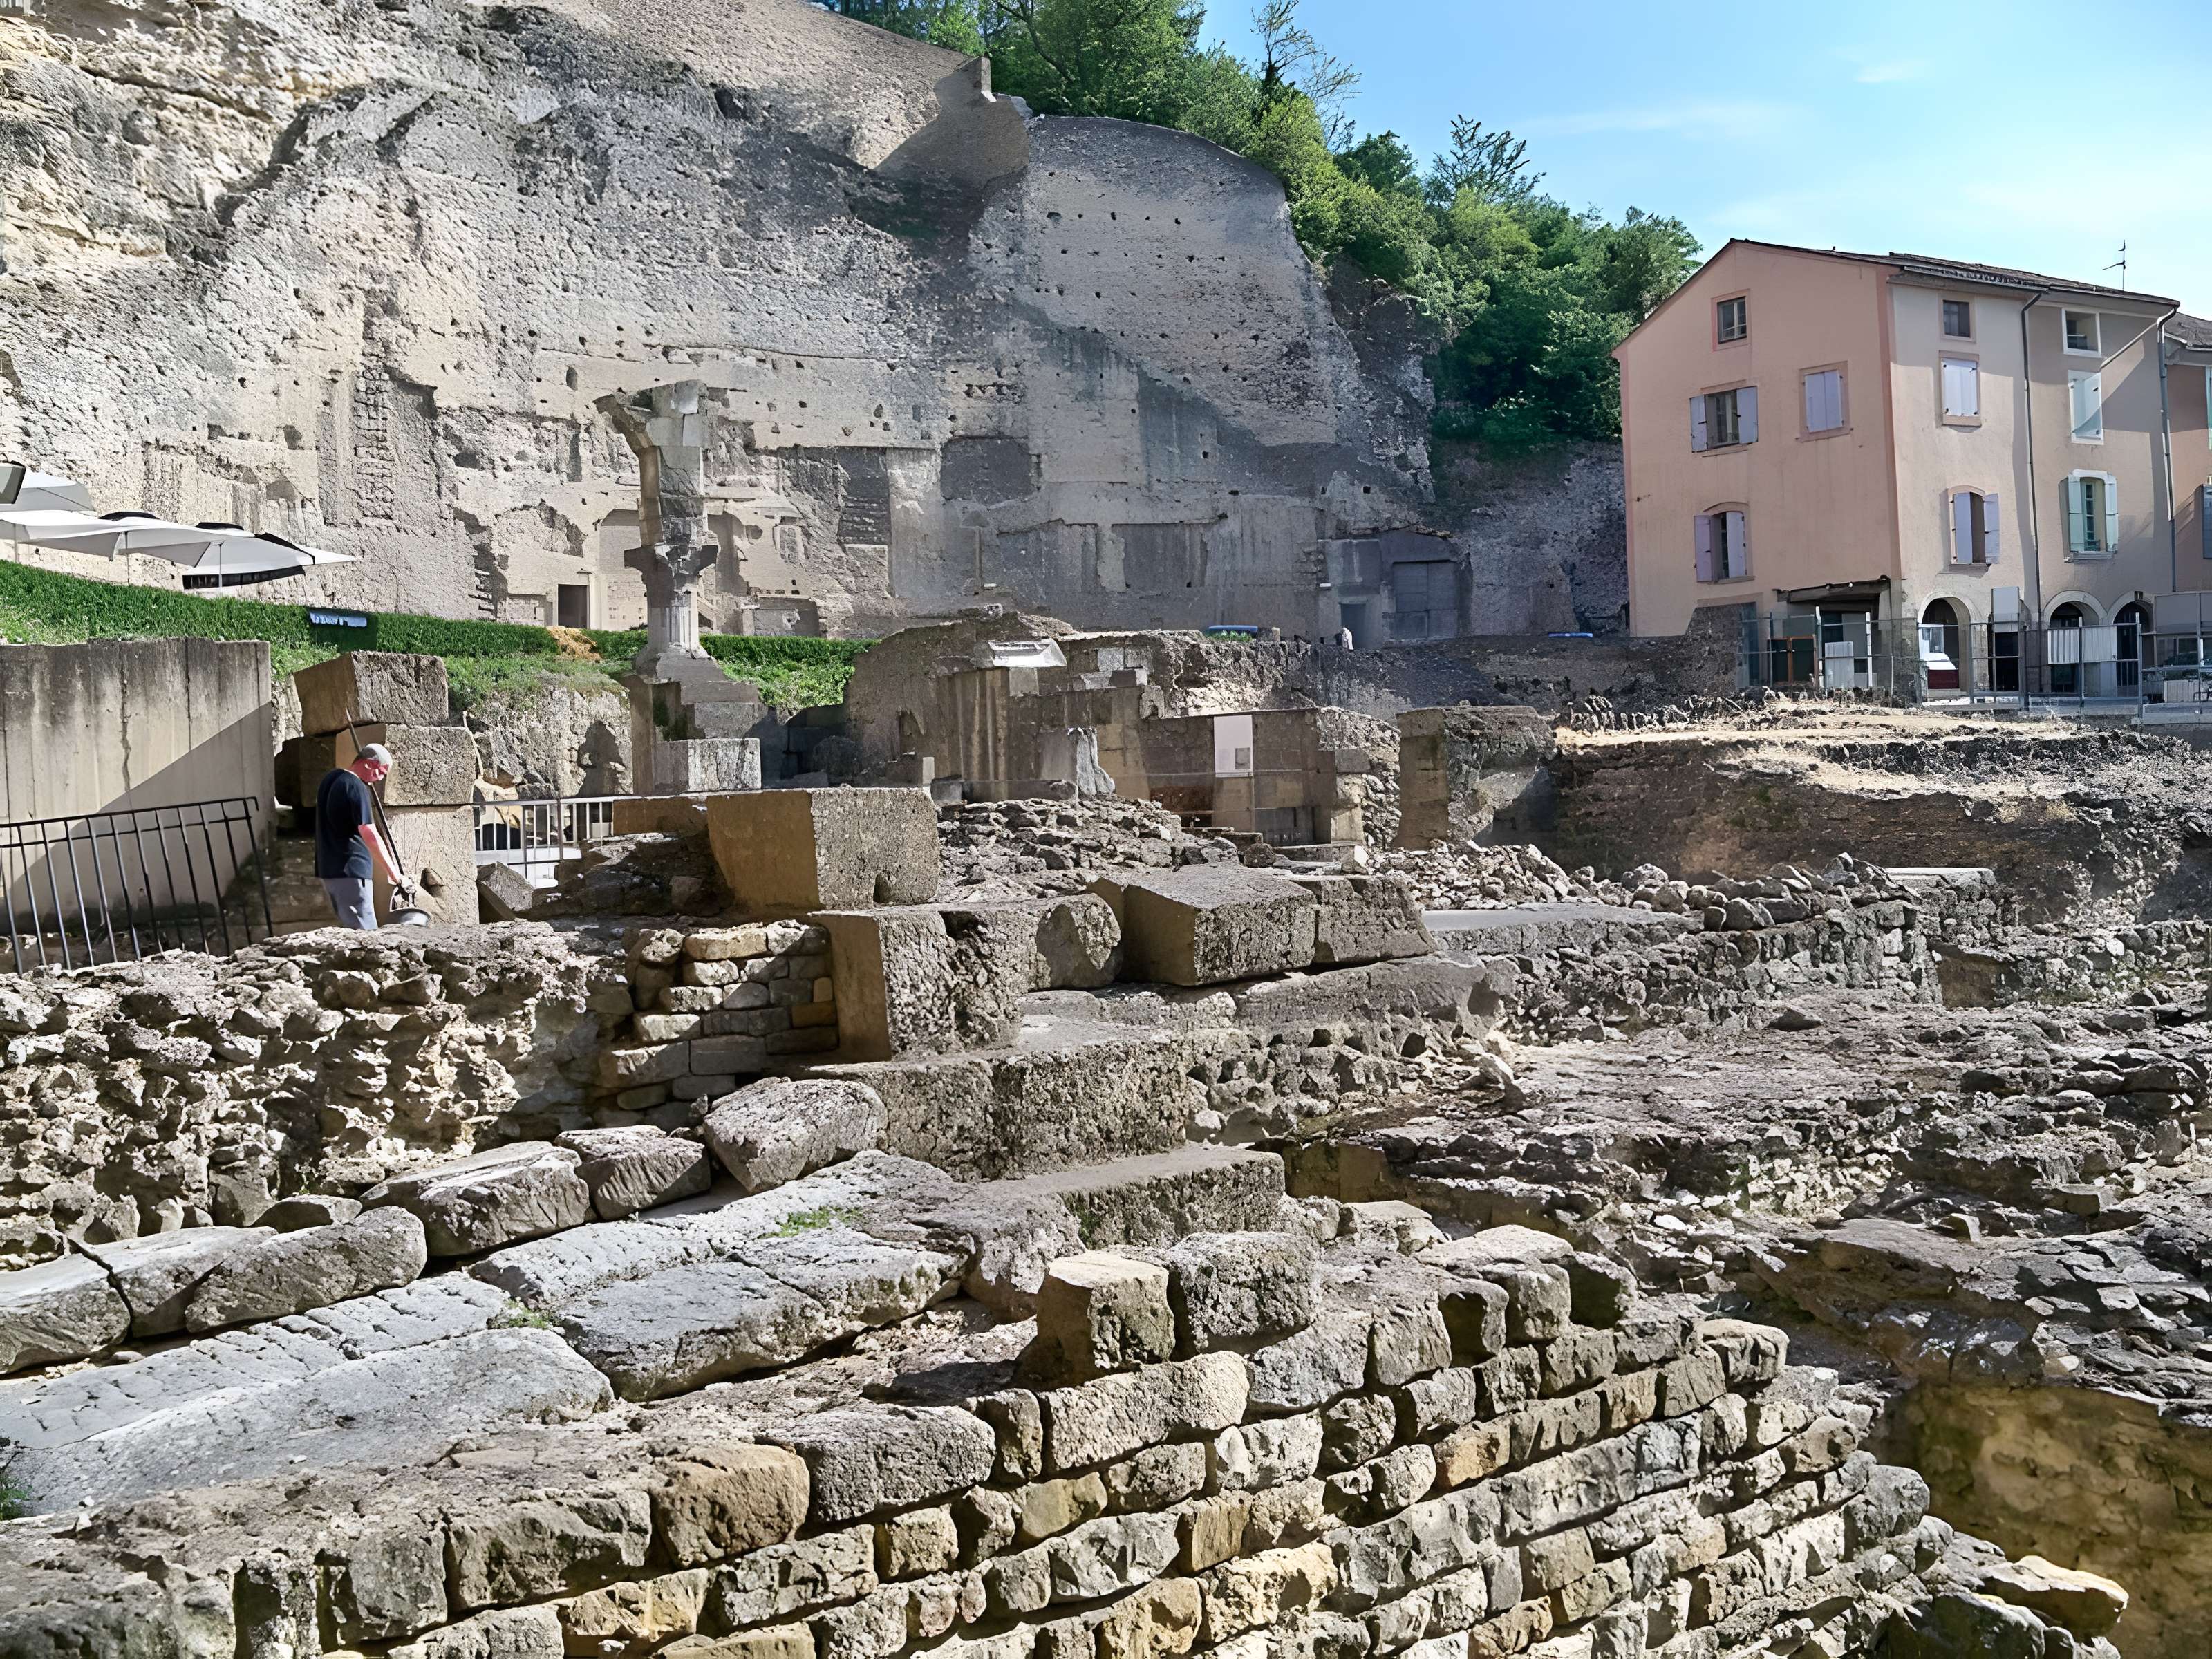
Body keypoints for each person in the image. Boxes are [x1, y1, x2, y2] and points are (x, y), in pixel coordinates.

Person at [315, 743, 402, 929]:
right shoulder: (355, 785)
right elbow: (369, 833)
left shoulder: (330, 779)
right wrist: (394, 874)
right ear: (369, 764)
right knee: (365, 932)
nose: (379, 779)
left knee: (348, 931)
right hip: (352, 871)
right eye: (381, 772)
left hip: (328, 869)